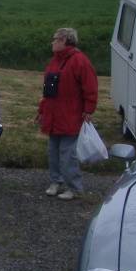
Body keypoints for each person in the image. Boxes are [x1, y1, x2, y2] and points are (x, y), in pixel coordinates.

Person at [34, 28, 98, 200]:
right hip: (53, 115)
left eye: (54, 39)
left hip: (70, 115)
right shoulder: (54, 62)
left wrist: (88, 110)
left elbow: (90, 87)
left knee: (67, 153)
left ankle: (74, 187)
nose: (52, 42)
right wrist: (42, 110)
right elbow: (48, 91)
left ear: (63, 40)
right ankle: (56, 182)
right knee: (53, 152)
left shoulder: (79, 61)